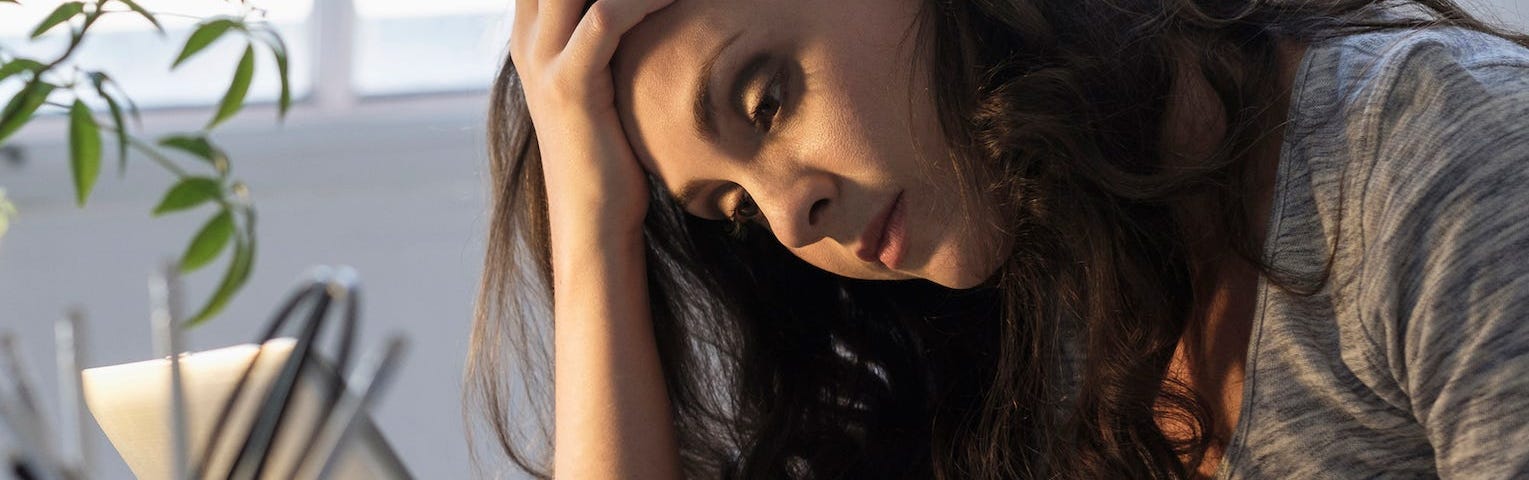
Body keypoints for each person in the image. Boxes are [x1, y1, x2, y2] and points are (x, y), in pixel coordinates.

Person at [466, 0, 1529, 477]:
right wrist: (594, 230)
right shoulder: (1009, 316)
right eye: (733, 210)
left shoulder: (1428, 156)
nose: (788, 218)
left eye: (765, 98)